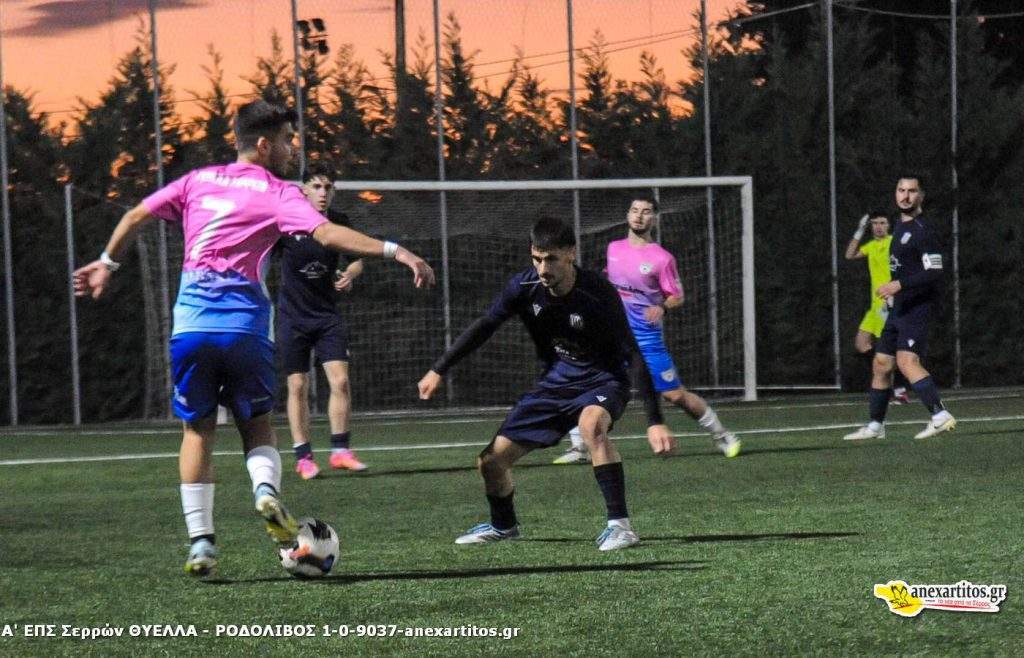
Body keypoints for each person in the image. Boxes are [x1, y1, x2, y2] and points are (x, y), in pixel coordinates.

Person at [73, 100, 434, 577]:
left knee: (198, 431)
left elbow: (137, 214)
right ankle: (265, 491)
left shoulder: (197, 180)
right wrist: (396, 250)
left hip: (191, 328)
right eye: (287, 140)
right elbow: (328, 235)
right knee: (258, 425)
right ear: (263, 145)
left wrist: (107, 262)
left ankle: (202, 543)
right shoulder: (278, 191)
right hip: (244, 329)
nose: (292, 149)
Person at [418, 217, 674, 551]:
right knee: (491, 463)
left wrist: (655, 421)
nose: (543, 268)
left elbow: (634, 353)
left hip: (604, 379)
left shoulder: (597, 292)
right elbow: (485, 325)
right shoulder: (524, 287)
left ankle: (620, 527)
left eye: (551, 259)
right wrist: (438, 369)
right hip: (556, 383)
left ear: (571, 254)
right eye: (537, 259)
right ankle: (503, 526)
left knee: (591, 425)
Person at [553, 197, 740, 465]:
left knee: (674, 395)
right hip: (612, 336)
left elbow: (677, 296)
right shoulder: (614, 248)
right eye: (634, 210)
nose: (639, 216)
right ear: (628, 215)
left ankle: (721, 435)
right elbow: (608, 283)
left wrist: (661, 307)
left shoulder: (662, 258)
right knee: (580, 382)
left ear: (655, 218)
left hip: (646, 339)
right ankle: (580, 446)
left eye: (646, 211)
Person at [843, 175, 955, 441]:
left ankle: (940, 416)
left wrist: (898, 285)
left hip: (917, 307)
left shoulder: (923, 230)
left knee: (907, 361)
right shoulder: (899, 227)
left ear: (921, 195)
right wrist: (896, 291)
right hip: (898, 308)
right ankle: (875, 426)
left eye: (912, 191)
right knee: (881, 364)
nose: (905, 196)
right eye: (901, 190)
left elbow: (935, 271)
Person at [278, 173, 367, 480]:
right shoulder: (286, 223)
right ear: (303, 191)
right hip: (293, 318)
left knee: (340, 381)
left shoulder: (339, 221)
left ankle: (340, 451)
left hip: (327, 317)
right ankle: (303, 457)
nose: (322, 192)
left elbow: (357, 259)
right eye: (316, 186)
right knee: (297, 385)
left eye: (328, 187)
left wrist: (350, 273)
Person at [843, 211, 909, 404]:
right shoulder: (871, 245)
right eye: (874, 223)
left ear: (888, 225)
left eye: (882, 223)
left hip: (889, 303)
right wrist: (859, 230)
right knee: (862, 345)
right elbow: (849, 255)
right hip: (875, 306)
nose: (878, 227)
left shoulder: (893, 243)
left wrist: (897, 293)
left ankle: (898, 389)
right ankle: (891, 386)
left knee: (889, 349)